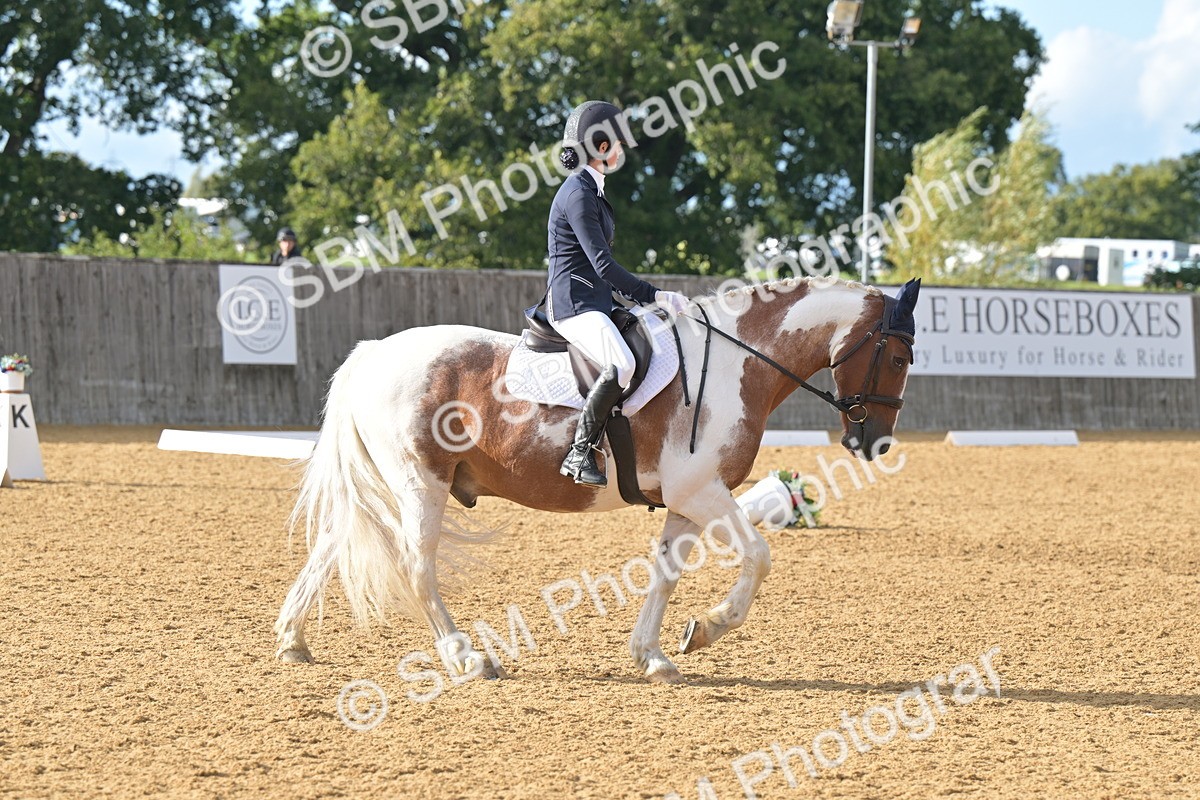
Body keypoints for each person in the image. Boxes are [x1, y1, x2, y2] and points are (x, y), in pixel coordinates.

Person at [544, 100, 690, 488]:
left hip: (596, 301)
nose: (623, 151)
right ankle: (578, 452)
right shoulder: (578, 194)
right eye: (619, 144)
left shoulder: (593, 190)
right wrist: (655, 295)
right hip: (573, 305)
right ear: (603, 148)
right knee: (622, 364)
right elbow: (604, 266)